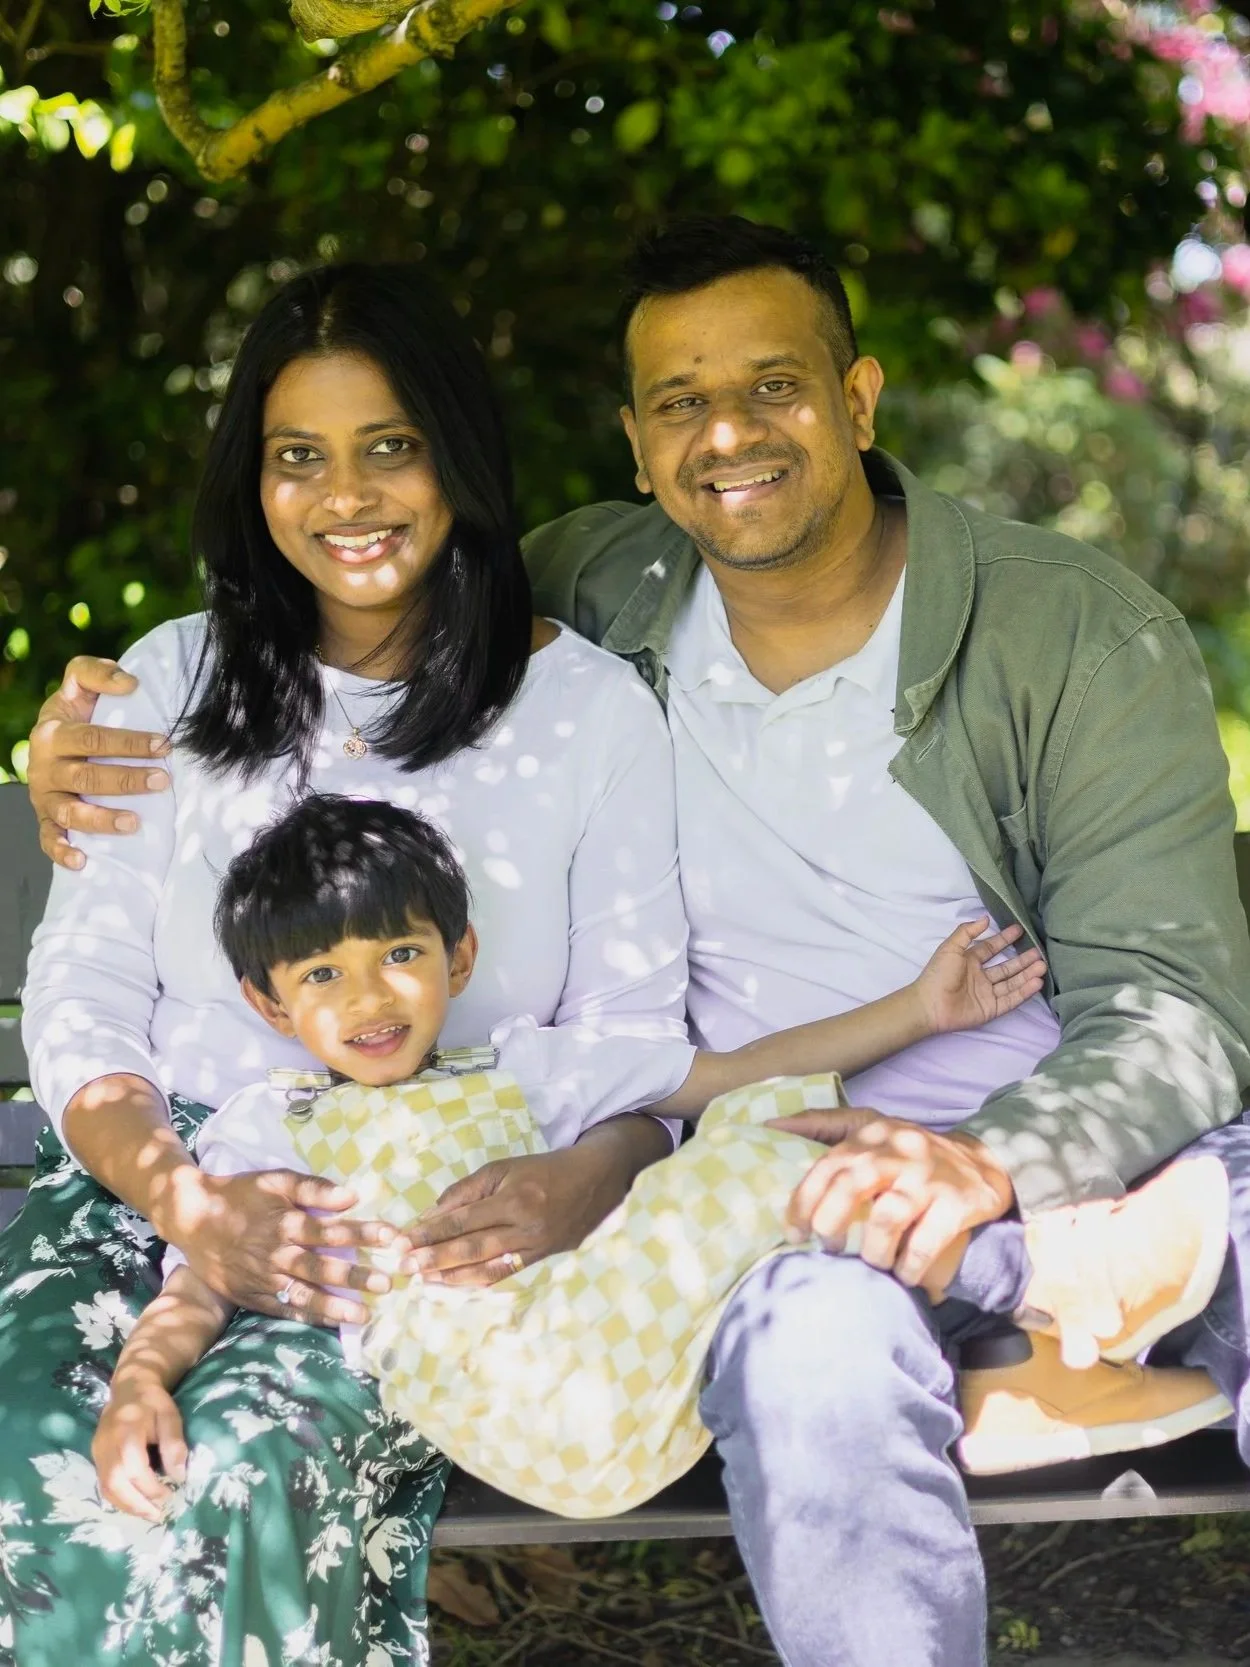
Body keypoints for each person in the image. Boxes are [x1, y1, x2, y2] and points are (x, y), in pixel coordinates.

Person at [25, 217, 1250, 1667]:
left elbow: (1172, 1000)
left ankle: (1075, 1265)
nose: (726, 433)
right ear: (633, 441)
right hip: (784, 1173)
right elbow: (360, 648)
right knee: (815, 1359)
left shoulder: (1059, 636)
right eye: (680, 403)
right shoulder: (601, 598)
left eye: (774, 387)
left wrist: (997, 1164)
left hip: (1079, 1140)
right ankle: (1041, 1293)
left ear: (857, 397)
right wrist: (76, 736)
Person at [3, 260, 707, 1667]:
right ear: (251, 483)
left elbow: (635, 1036)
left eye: (389, 445)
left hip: (398, 1224)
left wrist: (576, 1181)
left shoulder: (586, 715)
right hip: (150, 1187)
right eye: (297, 457)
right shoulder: (167, 685)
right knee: (35, 1468)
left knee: (231, 1477)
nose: (347, 495)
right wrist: (184, 1199)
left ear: (456, 457)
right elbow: (81, 1007)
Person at [92, 792, 1227, 1527]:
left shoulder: (525, 1070)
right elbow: (199, 1279)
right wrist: (141, 1379)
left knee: (768, 1125)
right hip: (512, 1396)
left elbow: (725, 1075)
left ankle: (1022, 1359)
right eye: (323, 975)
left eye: (400, 952)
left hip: (617, 1342)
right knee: (763, 1155)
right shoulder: (268, 1126)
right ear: (267, 1001)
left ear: (459, 952)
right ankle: (1040, 1283)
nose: (372, 995)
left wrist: (916, 1010)